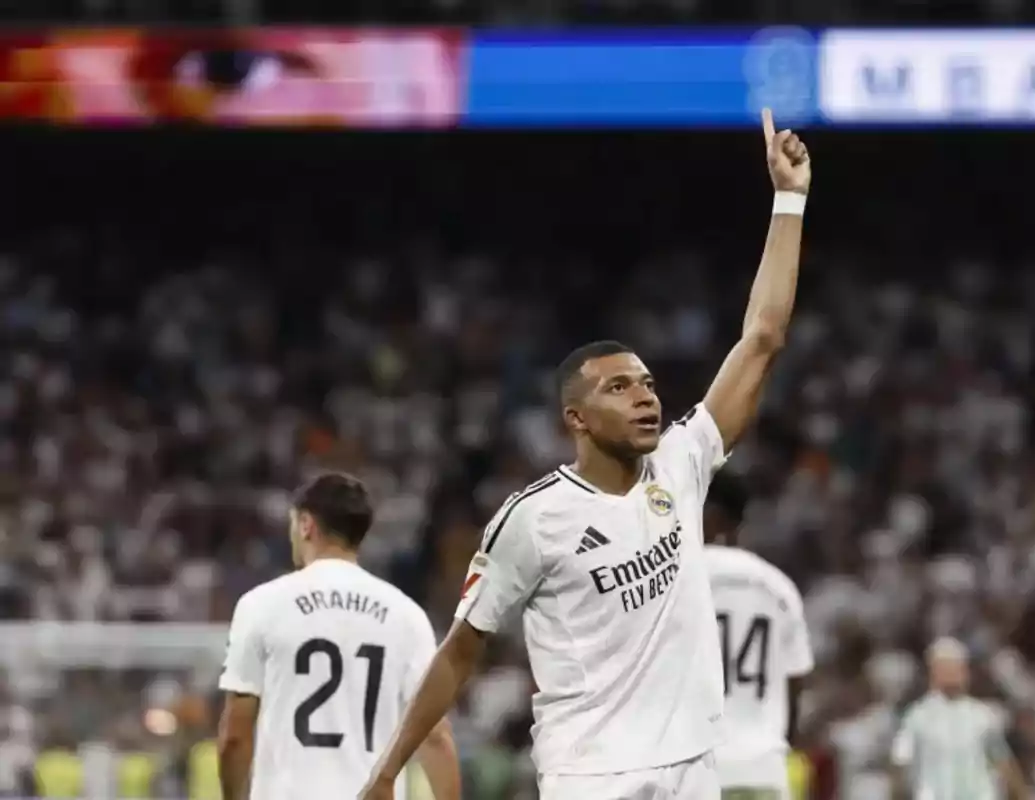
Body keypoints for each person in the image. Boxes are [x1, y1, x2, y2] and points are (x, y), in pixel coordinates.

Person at [359, 108, 811, 800]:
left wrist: (789, 200)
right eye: (619, 387)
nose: (645, 397)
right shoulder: (533, 519)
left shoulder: (680, 465)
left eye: (649, 384)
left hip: (693, 765)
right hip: (591, 775)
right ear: (575, 417)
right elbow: (461, 652)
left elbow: (762, 338)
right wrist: (388, 770)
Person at [216, 472, 461, 800]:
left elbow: (235, 734)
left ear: (305, 524)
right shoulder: (407, 616)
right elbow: (435, 735)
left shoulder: (261, 605)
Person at [705, 531, 813, 800]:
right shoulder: (778, 585)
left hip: (698, 770)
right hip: (765, 768)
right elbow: (796, 682)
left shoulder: (676, 576)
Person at [889, 638, 1030, 800]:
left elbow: (1004, 762)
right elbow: (899, 764)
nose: (953, 674)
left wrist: (1022, 795)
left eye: (957, 667)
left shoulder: (983, 715)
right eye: (946, 668)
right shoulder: (916, 717)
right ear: (933, 672)